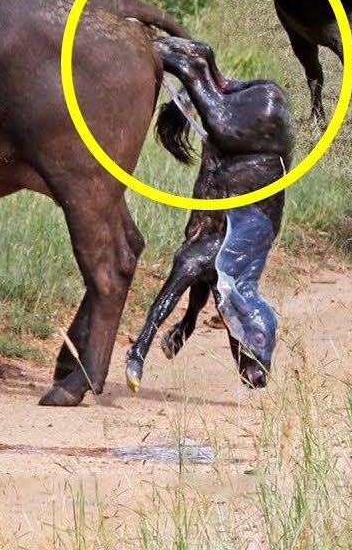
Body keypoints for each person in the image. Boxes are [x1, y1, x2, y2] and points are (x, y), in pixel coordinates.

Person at [125, 37, 294, 391]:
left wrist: (186, 324)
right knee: (197, 82)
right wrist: (178, 326)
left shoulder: (234, 267)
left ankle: (194, 59)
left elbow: (212, 289)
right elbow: (190, 287)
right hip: (258, 136)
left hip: (265, 127)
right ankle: (137, 353)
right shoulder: (227, 265)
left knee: (209, 78)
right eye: (257, 355)